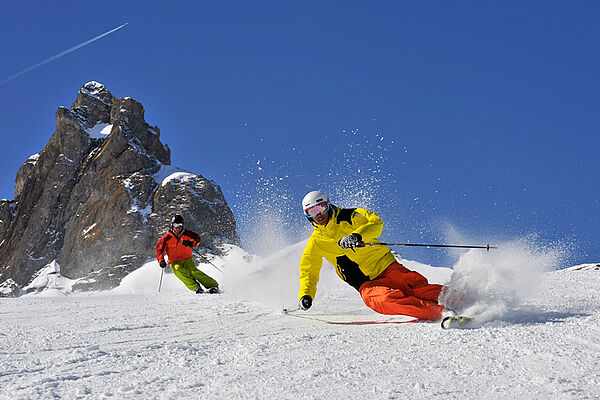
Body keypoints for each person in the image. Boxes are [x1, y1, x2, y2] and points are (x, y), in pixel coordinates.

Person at [297, 191, 444, 320]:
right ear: (308, 216)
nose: (319, 214)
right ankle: (438, 313)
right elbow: (308, 270)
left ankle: (462, 297)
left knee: (415, 289)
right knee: (383, 300)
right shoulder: (316, 243)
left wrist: (357, 236)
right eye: (312, 212)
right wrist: (306, 295)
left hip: (385, 266)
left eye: (321, 208)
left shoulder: (350, 216)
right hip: (365, 283)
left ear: (328, 206)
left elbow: (375, 222)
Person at [155, 215, 220, 294]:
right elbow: (159, 249)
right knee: (178, 270)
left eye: (180, 226)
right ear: (172, 225)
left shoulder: (186, 234)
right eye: (176, 225)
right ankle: (196, 287)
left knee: (193, 272)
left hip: (187, 259)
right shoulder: (166, 238)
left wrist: (191, 243)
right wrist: (161, 260)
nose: (178, 228)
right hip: (174, 261)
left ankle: (213, 285)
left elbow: (197, 238)